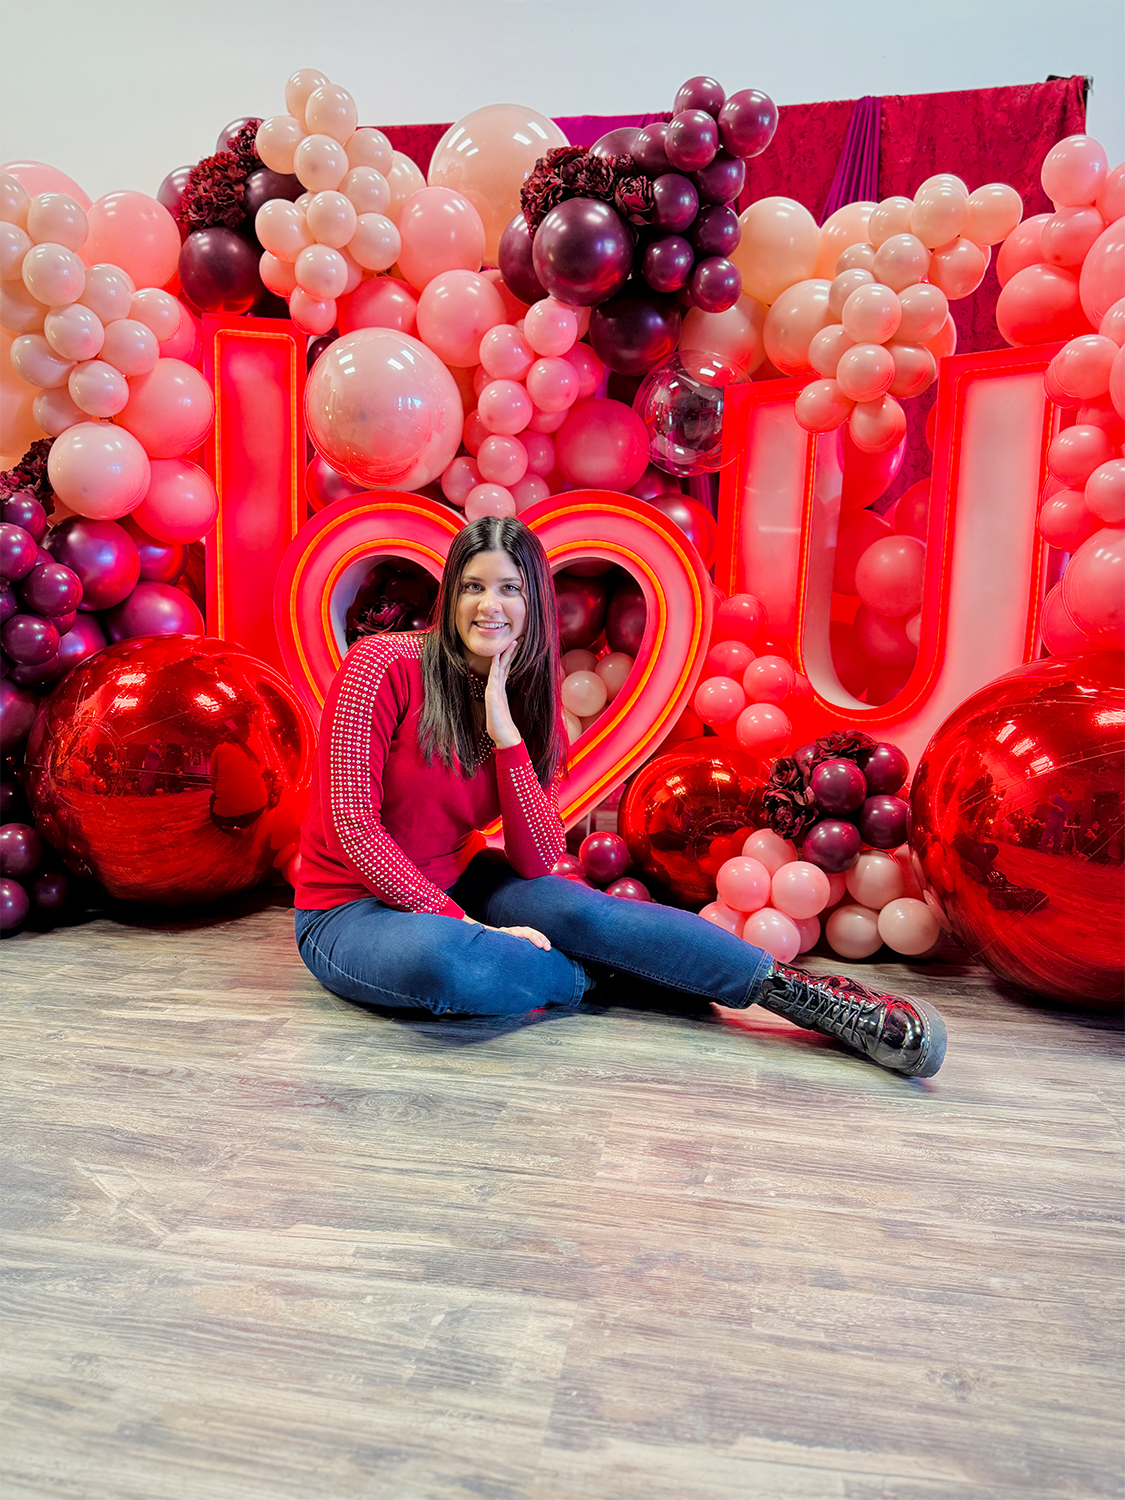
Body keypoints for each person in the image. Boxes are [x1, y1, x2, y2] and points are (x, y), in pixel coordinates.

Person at [295, 516, 946, 1079]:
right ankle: (587, 978)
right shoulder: (382, 666)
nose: (487, 606)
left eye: (508, 588)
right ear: (449, 598)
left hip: (461, 875)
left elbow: (536, 856)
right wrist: (457, 922)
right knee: (444, 963)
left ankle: (806, 999)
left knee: (591, 916)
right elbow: (352, 826)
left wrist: (504, 731)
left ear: (534, 605)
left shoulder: (527, 694)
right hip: (351, 908)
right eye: (472, 586)